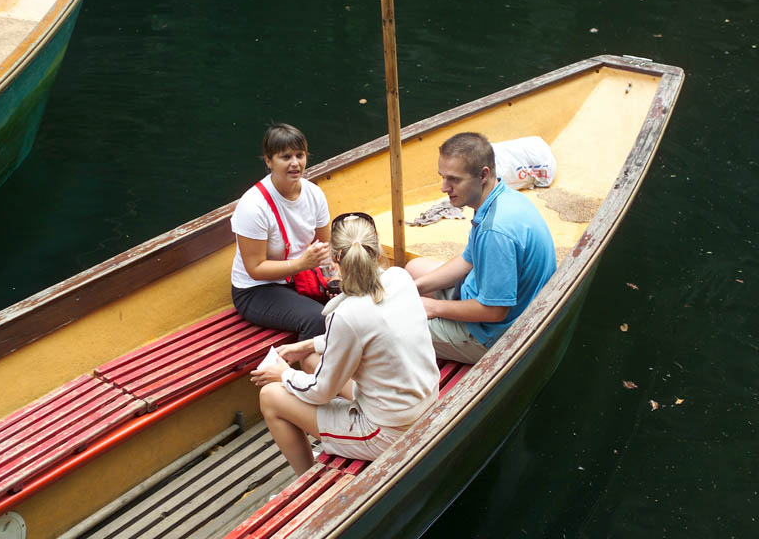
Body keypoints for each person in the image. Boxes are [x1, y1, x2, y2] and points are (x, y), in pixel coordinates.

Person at [251, 213, 440, 475]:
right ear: (376, 252)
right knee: (310, 360)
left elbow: (321, 392)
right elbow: (368, 333)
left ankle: (307, 479)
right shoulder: (399, 277)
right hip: (421, 403)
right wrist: (307, 347)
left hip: (386, 431)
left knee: (270, 397)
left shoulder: (346, 314)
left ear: (335, 259)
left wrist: (284, 375)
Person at [406, 132, 556, 364]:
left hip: (495, 334)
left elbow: (495, 312)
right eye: (443, 177)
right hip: (489, 296)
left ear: (483, 175)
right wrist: (414, 288)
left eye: (454, 179)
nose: (444, 188)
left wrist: (434, 307)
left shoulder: (495, 231)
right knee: (414, 269)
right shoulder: (501, 196)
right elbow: (468, 260)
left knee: (395, 328)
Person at [231, 123, 331, 341]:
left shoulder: (314, 193)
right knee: (317, 318)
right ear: (269, 161)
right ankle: (302, 371)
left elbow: (324, 245)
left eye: (300, 155)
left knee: (354, 302)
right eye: (285, 157)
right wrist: (301, 264)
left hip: (300, 277)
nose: (295, 163)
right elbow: (255, 269)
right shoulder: (253, 206)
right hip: (257, 290)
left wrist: (336, 275)